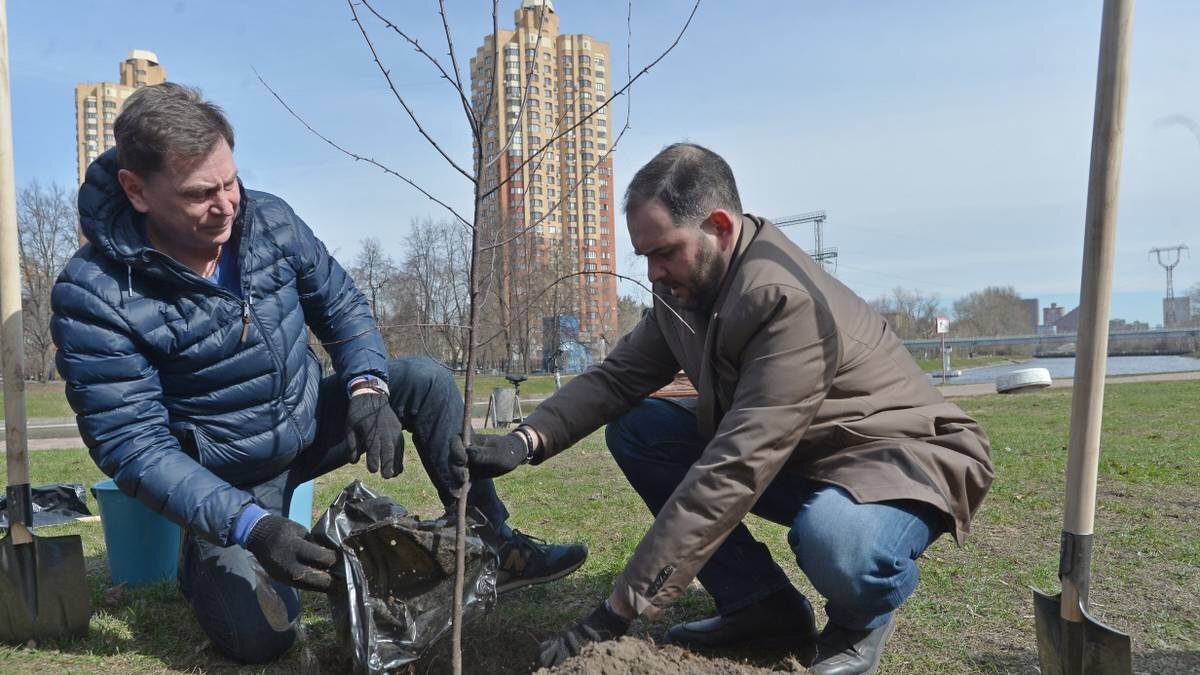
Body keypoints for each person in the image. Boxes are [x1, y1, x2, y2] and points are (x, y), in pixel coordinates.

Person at [51, 82, 585, 664]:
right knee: (262, 640)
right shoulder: (97, 295)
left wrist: (366, 389)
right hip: (229, 477)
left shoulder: (268, 222)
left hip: (309, 423)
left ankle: (495, 544)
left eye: (230, 181)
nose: (227, 204)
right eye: (201, 193)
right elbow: (135, 447)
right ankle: (204, 559)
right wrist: (253, 527)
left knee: (425, 379)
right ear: (137, 190)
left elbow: (343, 307)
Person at [460, 143, 994, 674]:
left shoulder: (784, 300)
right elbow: (619, 375)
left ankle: (861, 619)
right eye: (644, 256)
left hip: (895, 458)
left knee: (838, 543)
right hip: (806, 453)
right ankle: (762, 607)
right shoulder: (688, 291)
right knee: (640, 427)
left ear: (719, 225)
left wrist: (616, 612)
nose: (653, 273)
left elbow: (735, 468)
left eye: (665, 252)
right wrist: (525, 439)